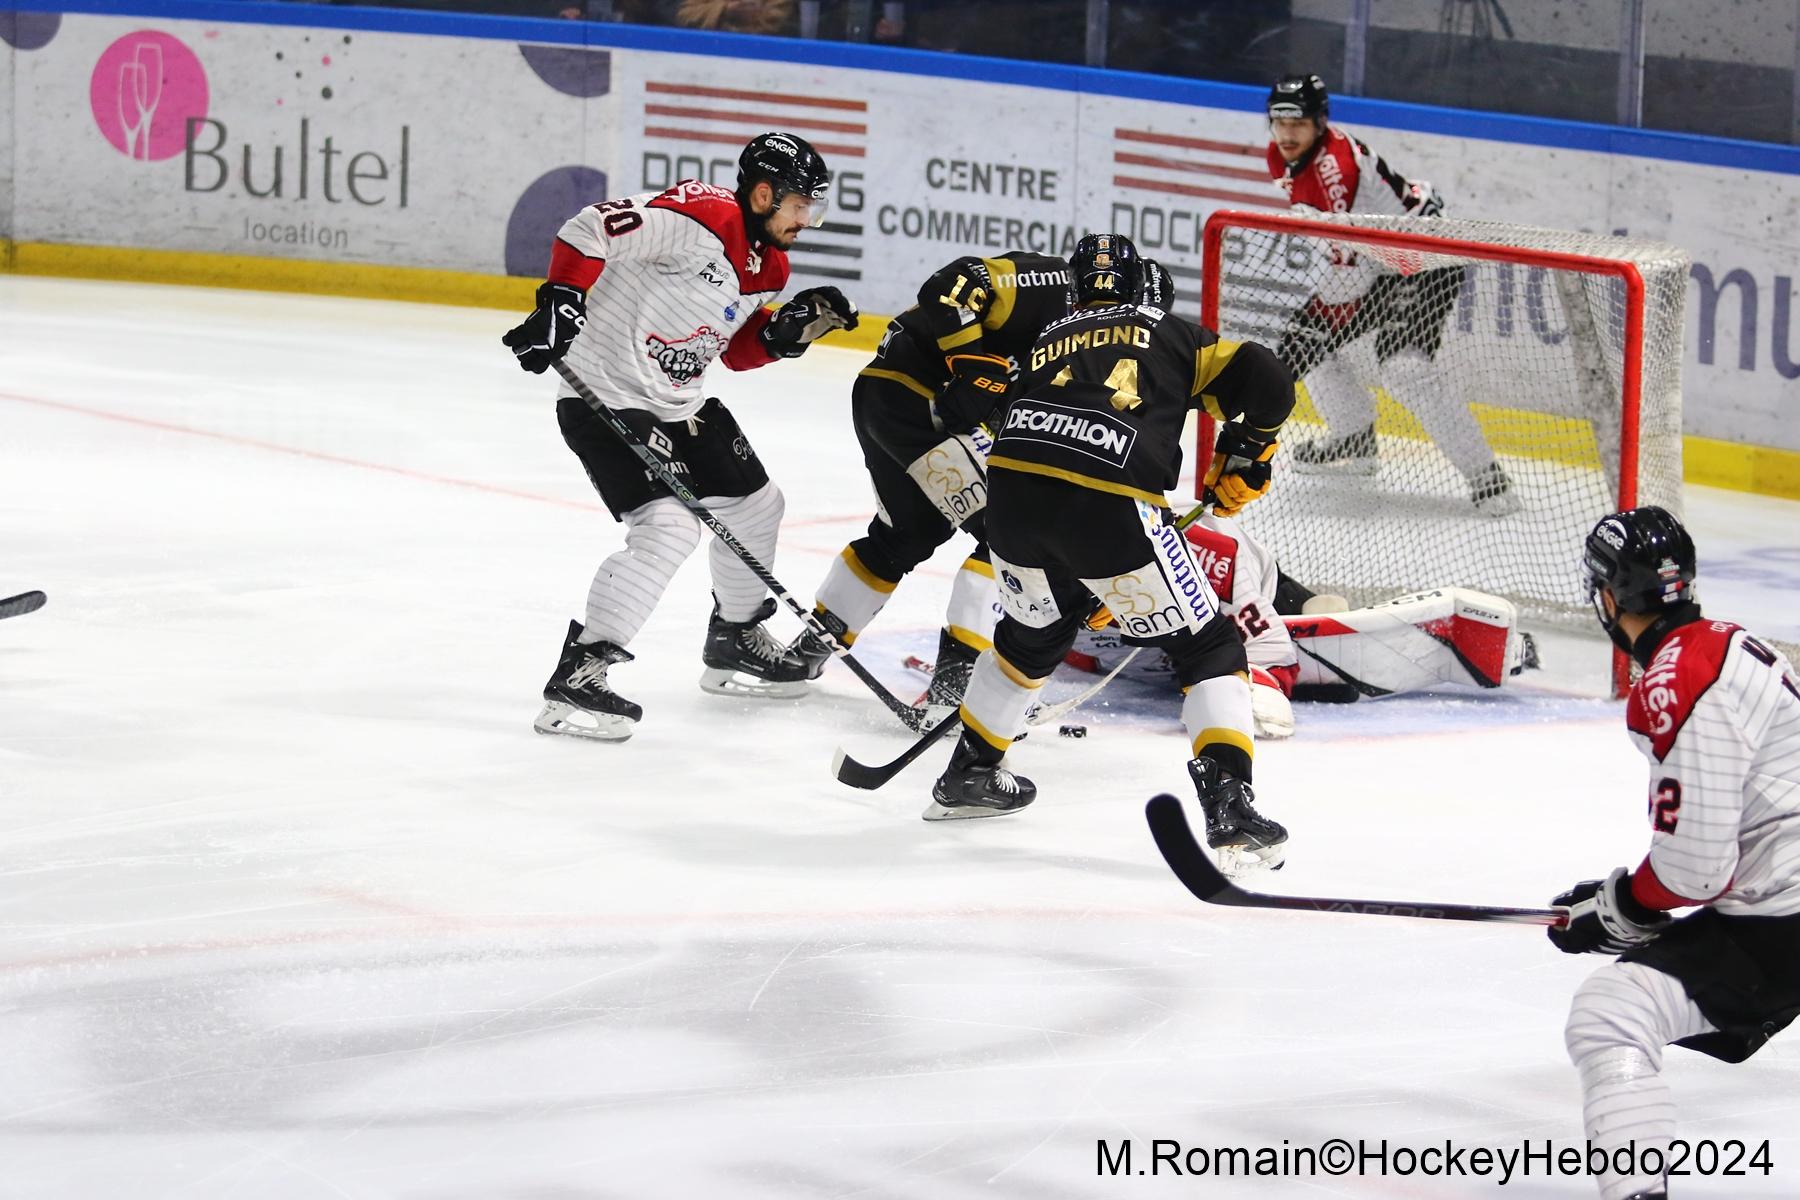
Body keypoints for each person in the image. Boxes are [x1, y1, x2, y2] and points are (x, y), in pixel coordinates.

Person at [926, 233, 1295, 878]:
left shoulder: (1043, 339)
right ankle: (1232, 808)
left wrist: (1088, 582)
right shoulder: (1171, 332)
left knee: (1028, 640)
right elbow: (1268, 375)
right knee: (1207, 648)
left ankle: (971, 772)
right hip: (1108, 502)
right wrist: (1249, 450)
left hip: (1010, 502)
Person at [503, 132, 858, 742]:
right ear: (763, 193)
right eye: (801, 205)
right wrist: (562, 301)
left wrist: (786, 333)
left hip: (678, 404)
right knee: (668, 527)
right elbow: (591, 227)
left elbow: (735, 353)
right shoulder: (702, 217)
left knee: (758, 505)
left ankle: (735, 639)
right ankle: (581, 675)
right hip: (606, 393)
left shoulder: (772, 265)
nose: (808, 220)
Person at [1548, 506, 1800, 1200]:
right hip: (1783, 898)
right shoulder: (1731, 642)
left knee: (1612, 1014)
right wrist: (1623, 905)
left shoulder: (1673, 680)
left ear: (1608, 596)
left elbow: (1695, 869)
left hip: (1783, 913)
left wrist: (1620, 907)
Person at [788, 249, 1075, 716]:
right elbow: (951, 283)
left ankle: (804, 654)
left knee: (904, 535)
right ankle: (955, 689)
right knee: (1011, 536)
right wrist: (972, 364)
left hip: (893, 402)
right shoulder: (1052, 280)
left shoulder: (1084, 342)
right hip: (917, 399)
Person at [1264, 73, 1518, 516]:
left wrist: (1309, 339)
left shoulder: (1333, 175)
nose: (1286, 134)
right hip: (1378, 257)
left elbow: (1348, 279)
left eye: (1298, 123)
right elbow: (1351, 260)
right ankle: (1354, 441)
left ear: (1320, 122)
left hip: (1428, 253)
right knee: (1307, 343)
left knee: (1402, 366)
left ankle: (1488, 479)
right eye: (1279, 122)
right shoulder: (1285, 157)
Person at [1065, 508, 1539, 737]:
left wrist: (1251, 692)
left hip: (1262, 599)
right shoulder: (1050, 548)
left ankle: (1317, 606)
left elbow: (1272, 660)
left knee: (1313, 621)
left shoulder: (1215, 562)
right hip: (1160, 649)